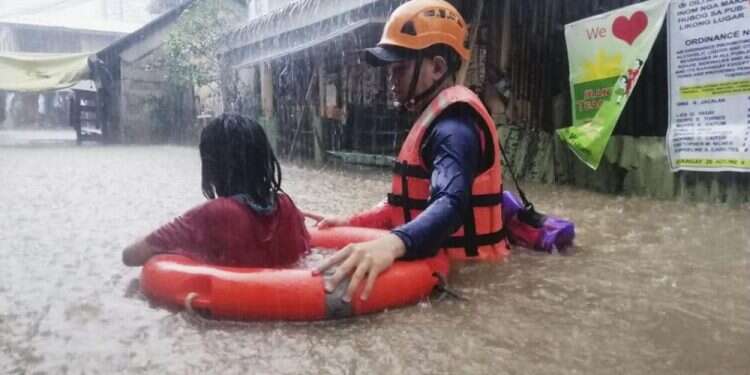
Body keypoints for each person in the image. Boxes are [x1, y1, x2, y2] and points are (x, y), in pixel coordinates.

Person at [310, 0, 507, 303]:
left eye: (399, 70)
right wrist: (351, 222)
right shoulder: (435, 120)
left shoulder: (454, 129)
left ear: (438, 67)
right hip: (448, 266)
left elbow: (451, 203)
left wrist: (392, 244)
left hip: (471, 279)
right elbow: (404, 206)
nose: (391, 82)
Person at [122, 113, 310, 267]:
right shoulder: (286, 206)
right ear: (264, 159)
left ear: (212, 166)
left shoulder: (216, 213)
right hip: (286, 300)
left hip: (233, 309)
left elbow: (130, 256)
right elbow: (305, 252)